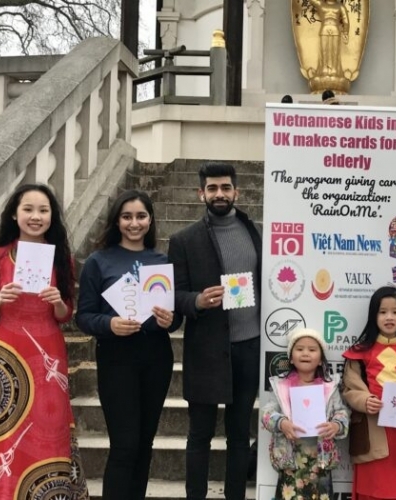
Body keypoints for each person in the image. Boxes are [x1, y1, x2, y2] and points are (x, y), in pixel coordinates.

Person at [0, 183, 87, 499]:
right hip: (8, 349)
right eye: (28, 209)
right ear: (14, 213)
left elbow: (65, 315)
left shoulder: (61, 258)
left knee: (51, 428)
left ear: (52, 216)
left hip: (48, 347)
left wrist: (57, 302)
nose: (35, 216)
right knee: (7, 430)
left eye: (43, 210)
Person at [75, 190, 180, 499]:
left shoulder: (162, 262)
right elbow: (84, 316)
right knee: (124, 445)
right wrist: (109, 324)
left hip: (156, 356)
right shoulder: (99, 261)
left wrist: (169, 321)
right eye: (127, 216)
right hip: (117, 358)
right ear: (117, 221)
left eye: (141, 216)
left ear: (150, 220)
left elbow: (174, 320)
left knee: (144, 444)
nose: (134, 223)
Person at [168, 163, 263, 500]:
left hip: (248, 347)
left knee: (239, 434)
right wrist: (197, 300)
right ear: (201, 193)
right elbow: (174, 294)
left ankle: (235, 495)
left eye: (225, 187)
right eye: (212, 188)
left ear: (237, 191)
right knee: (200, 434)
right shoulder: (183, 240)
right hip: (206, 349)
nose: (219, 194)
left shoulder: (255, 232)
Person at [342, 286, 396, 500]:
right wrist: (365, 401)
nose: (389, 317)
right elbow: (349, 388)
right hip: (372, 430)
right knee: (372, 489)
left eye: (395, 312)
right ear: (374, 316)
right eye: (382, 312)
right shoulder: (359, 352)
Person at [261, 328, 350, 500]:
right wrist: (281, 423)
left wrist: (336, 425)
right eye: (299, 349)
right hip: (291, 459)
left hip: (320, 460)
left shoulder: (330, 387)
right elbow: (267, 413)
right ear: (291, 358)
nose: (305, 353)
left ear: (320, 360)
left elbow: (342, 412)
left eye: (312, 349)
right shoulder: (281, 386)